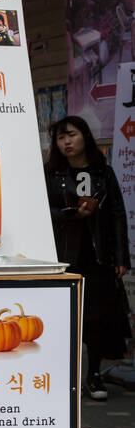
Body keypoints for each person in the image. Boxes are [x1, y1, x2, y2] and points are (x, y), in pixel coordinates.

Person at [45, 116, 130, 400]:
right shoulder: (51, 175)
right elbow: (41, 213)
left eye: (71, 135)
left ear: (85, 137)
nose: (66, 142)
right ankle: (60, 376)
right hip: (62, 256)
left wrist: (121, 257)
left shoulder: (103, 173)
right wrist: (72, 214)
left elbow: (117, 215)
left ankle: (93, 375)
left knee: (96, 320)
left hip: (98, 257)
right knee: (62, 318)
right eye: (60, 138)